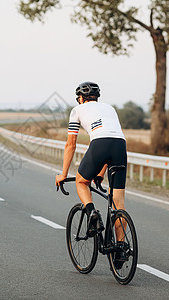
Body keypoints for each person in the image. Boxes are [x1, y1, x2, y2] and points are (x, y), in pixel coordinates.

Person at [55, 81, 128, 246]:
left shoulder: (77, 110)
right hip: (120, 146)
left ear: (80, 98)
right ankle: (121, 247)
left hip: (99, 144)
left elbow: (70, 144)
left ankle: (92, 213)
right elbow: (111, 138)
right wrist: (101, 173)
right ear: (97, 97)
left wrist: (64, 174)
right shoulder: (110, 109)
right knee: (118, 202)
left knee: (81, 182)